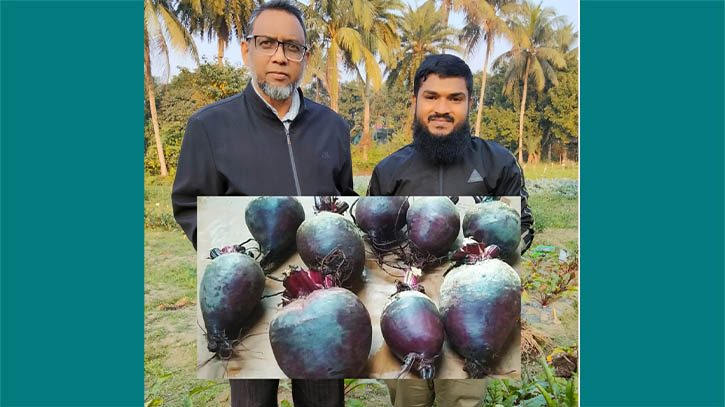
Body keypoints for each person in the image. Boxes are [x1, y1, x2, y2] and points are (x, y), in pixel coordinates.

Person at [172, 1, 354, 406]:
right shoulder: (209, 126)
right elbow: (188, 202)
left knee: (323, 397)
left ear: (305, 56)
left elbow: (343, 195)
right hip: (249, 294)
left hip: (321, 293)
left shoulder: (333, 128)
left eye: (292, 46)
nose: (279, 56)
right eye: (267, 42)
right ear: (246, 49)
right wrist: (235, 266)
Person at [367, 54, 534, 407]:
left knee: (461, 397)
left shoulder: (498, 163)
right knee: (408, 395)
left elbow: (521, 228)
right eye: (431, 97)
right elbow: (377, 230)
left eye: (454, 98)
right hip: (409, 303)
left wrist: (482, 268)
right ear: (415, 101)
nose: (442, 108)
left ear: (469, 103)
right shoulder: (389, 170)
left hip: (474, 307)